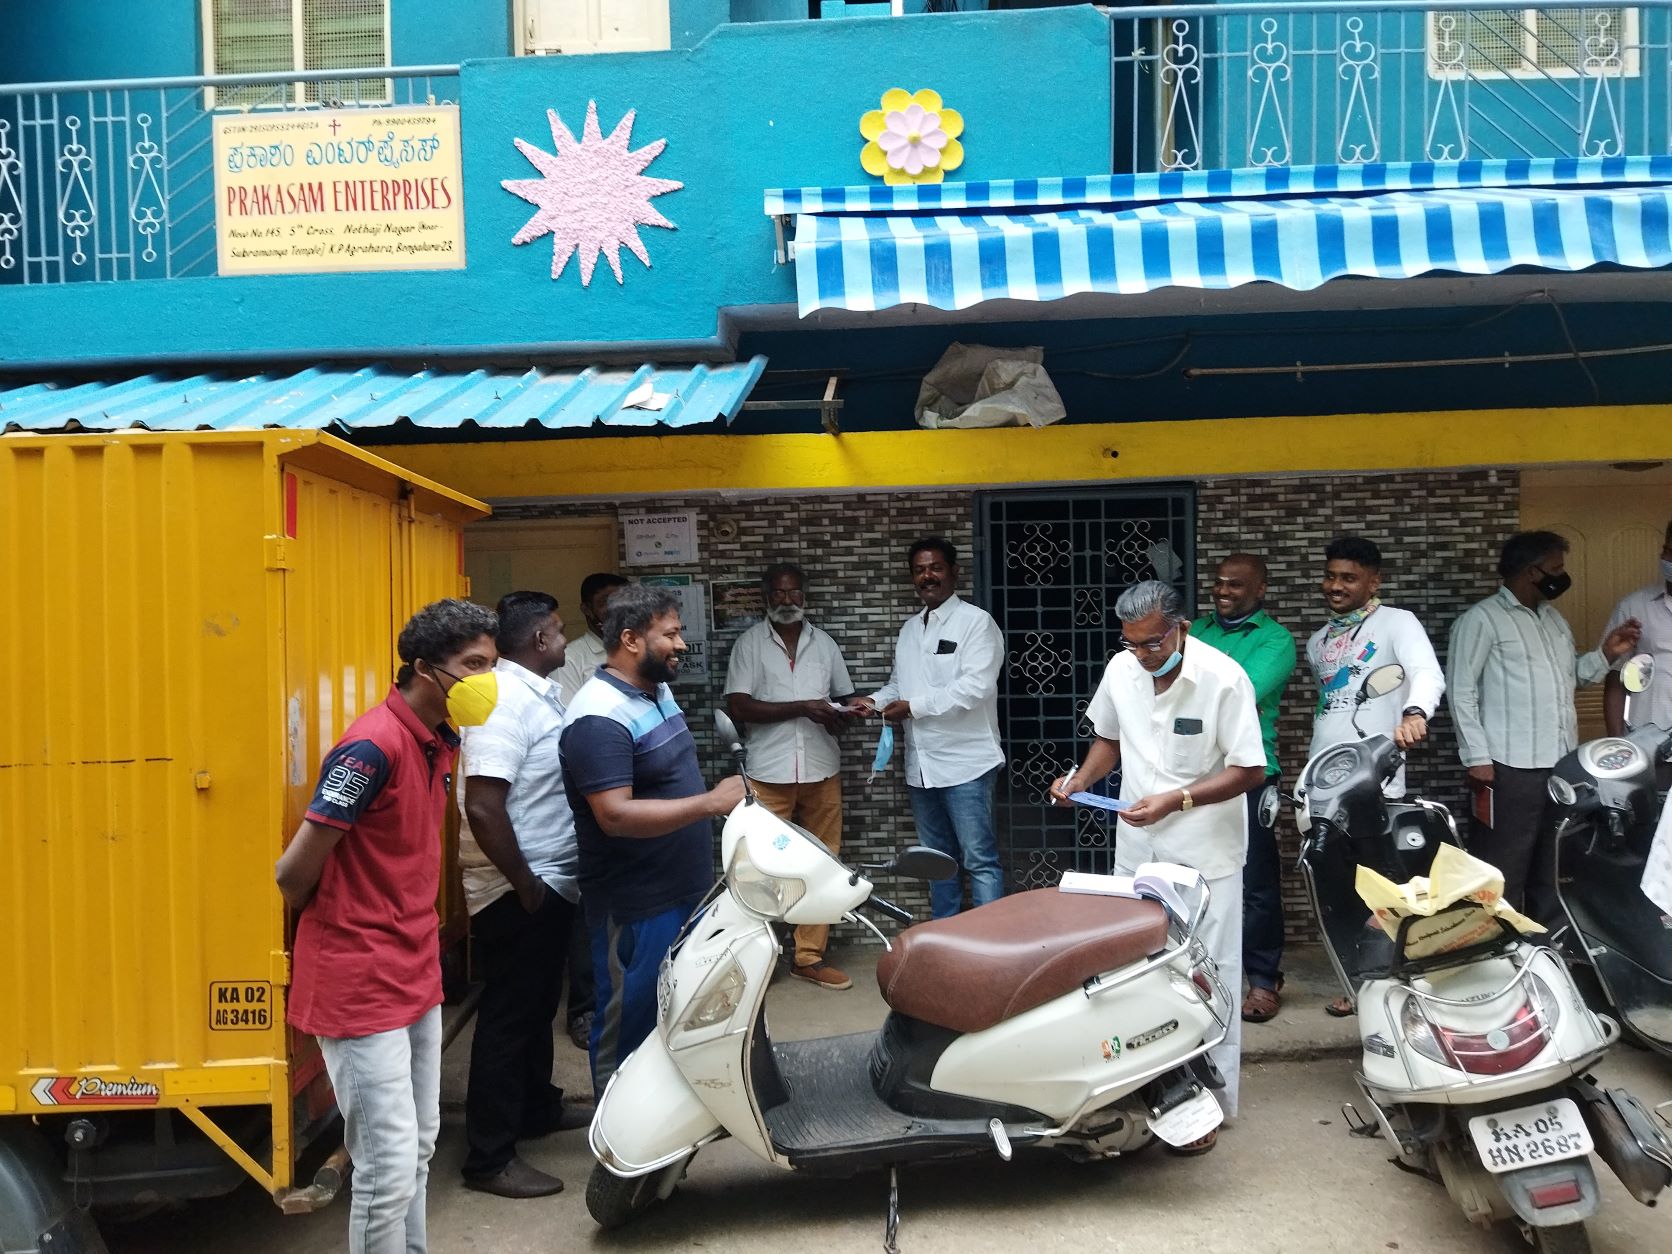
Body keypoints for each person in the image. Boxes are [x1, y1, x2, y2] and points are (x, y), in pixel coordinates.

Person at [275, 598, 498, 1254]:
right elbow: (293, 873)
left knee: (419, 1145)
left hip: (413, 966)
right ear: (425, 669)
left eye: (490, 664)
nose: (487, 680)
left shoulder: (438, 740)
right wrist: (351, 916)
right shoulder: (371, 748)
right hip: (358, 978)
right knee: (386, 1162)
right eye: (474, 665)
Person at [1050, 580, 1266, 1151]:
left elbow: (1250, 769)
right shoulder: (1122, 670)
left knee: (1208, 975)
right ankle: (1151, 1091)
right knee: (1140, 972)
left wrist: (1179, 799)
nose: (1143, 654)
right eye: (1132, 643)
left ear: (1180, 627)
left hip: (1205, 853)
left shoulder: (1223, 678)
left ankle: (1210, 1104)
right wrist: (1078, 781)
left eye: (1152, 643)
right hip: (1138, 850)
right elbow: (1109, 740)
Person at [561, 584, 745, 1091]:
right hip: (636, 905)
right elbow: (614, 815)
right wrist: (710, 803)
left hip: (683, 891)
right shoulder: (598, 716)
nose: (681, 644)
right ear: (630, 640)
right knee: (628, 1023)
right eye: (670, 634)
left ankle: (661, 1125)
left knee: (672, 1020)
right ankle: (614, 1133)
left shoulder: (655, 690)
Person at [457, 591, 593, 1200]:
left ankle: (537, 1107)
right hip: (517, 887)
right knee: (509, 1019)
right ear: (539, 640)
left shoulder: (536, 694)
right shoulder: (504, 702)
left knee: (537, 1006)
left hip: (545, 879)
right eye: (559, 631)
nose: (565, 640)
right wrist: (525, 884)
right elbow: (484, 805)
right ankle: (489, 1158)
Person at [1448, 532, 1641, 918]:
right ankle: (1498, 944)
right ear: (1530, 571)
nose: (1561, 576)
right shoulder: (1481, 620)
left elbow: (1571, 678)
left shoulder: (1553, 620)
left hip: (1559, 768)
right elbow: (1460, 690)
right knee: (1502, 866)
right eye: (1555, 568)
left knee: (1552, 865)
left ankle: (1547, 944)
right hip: (1508, 768)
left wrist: (1606, 653)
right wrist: (1477, 757)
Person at [725, 562, 861, 990]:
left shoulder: (825, 644)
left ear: (805, 595)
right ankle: (758, 959)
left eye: (794, 592)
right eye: (779, 593)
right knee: (758, 867)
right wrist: (804, 707)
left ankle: (808, 957)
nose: (787, 600)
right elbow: (738, 706)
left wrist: (848, 712)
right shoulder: (749, 644)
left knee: (825, 862)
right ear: (767, 597)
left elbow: (843, 697)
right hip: (768, 771)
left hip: (822, 767)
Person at [855, 536, 1005, 918]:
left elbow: (976, 687)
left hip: (967, 765)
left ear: (954, 572)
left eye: (936, 567)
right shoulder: (910, 630)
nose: (928, 576)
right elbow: (899, 685)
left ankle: (992, 940)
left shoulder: (976, 623)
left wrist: (913, 708)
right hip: (921, 768)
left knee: (980, 859)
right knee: (937, 861)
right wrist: (872, 702)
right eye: (920, 570)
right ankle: (945, 938)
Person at [1189, 554, 1298, 1024]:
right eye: (1219, 583)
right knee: (1194, 877)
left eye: (1235, 585)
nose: (1223, 592)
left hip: (1250, 772)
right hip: (1193, 772)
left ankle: (1263, 979)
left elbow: (1242, 693)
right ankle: (1197, 975)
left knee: (1255, 881)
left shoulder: (1276, 640)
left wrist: (1193, 690)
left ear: (1260, 590)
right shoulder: (1197, 630)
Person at [1306, 535, 1445, 798]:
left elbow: (1427, 673)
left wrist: (1415, 713)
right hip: (1320, 773)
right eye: (1330, 576)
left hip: (1375, 776)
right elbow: (1327, 703)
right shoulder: (1317, 641)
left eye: (1348, 578)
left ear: (1374, 583)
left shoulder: (1398, 622)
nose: (1335, 586)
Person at [555, 570, 627, 1051]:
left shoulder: (640, 654)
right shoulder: (575, 659)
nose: (615, 610)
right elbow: (569, 727)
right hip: (592, 794)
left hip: (633, 794)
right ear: (588, 611)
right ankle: (583, 1009)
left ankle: (626, 1002)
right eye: (605, 603)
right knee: (589, 909)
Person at [1602, 518, 1672, 736]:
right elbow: (1615, 677)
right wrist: (1617, 742)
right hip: (1647, 739)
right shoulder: (1633, 607)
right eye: (1669, 551)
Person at [557, 571, 629, 705]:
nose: (617, 609)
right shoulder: (570, 658)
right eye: (607, 602)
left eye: (623, 601)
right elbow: (569, 712)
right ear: (586, 609)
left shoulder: (639, 650)